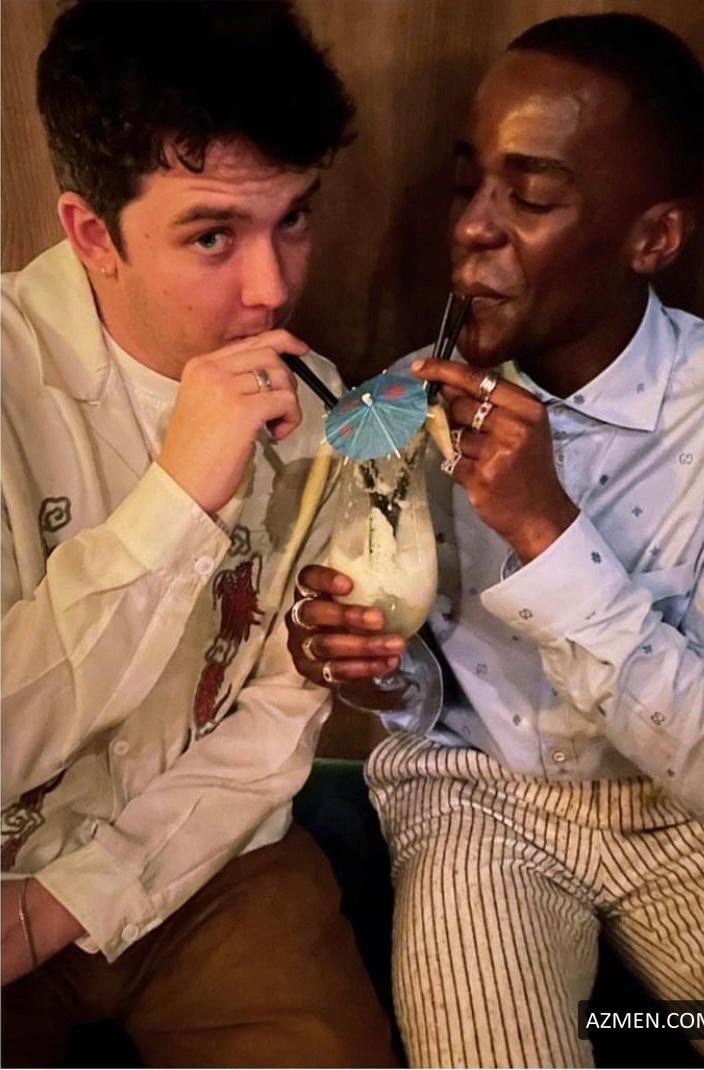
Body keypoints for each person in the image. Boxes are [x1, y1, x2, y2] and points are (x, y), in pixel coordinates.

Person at [287, 12, 704, 1068]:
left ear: (654, 237)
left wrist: (545, 529)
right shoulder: (401, 406)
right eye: (469, 186)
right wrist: (371, 663)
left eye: (532, 197)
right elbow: (418, 683)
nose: (471, 227)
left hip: (688, 813)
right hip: (473, 796)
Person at [0, 2, 400, 1066]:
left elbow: (280, 708)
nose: (273, 288)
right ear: (93, 234)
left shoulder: (319, 401)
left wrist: (75, 899)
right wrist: (177, 497)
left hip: (212, 857)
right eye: (212, 235)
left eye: (293, 218)